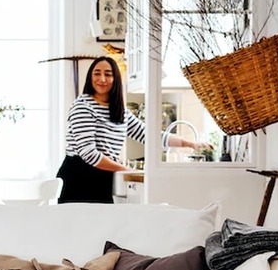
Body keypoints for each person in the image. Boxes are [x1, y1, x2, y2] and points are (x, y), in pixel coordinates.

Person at [56, 55, 195, 204]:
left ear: (115, 79)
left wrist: (189, 144)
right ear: (90, 77)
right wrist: (125, 169)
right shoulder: (83, 107)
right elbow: (88, 153)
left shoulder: (119, 111)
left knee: (103, 226)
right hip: (79, 178)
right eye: (97, 73)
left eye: (108, 74)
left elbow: (148, 135)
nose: (102, 79)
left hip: (102, 178)